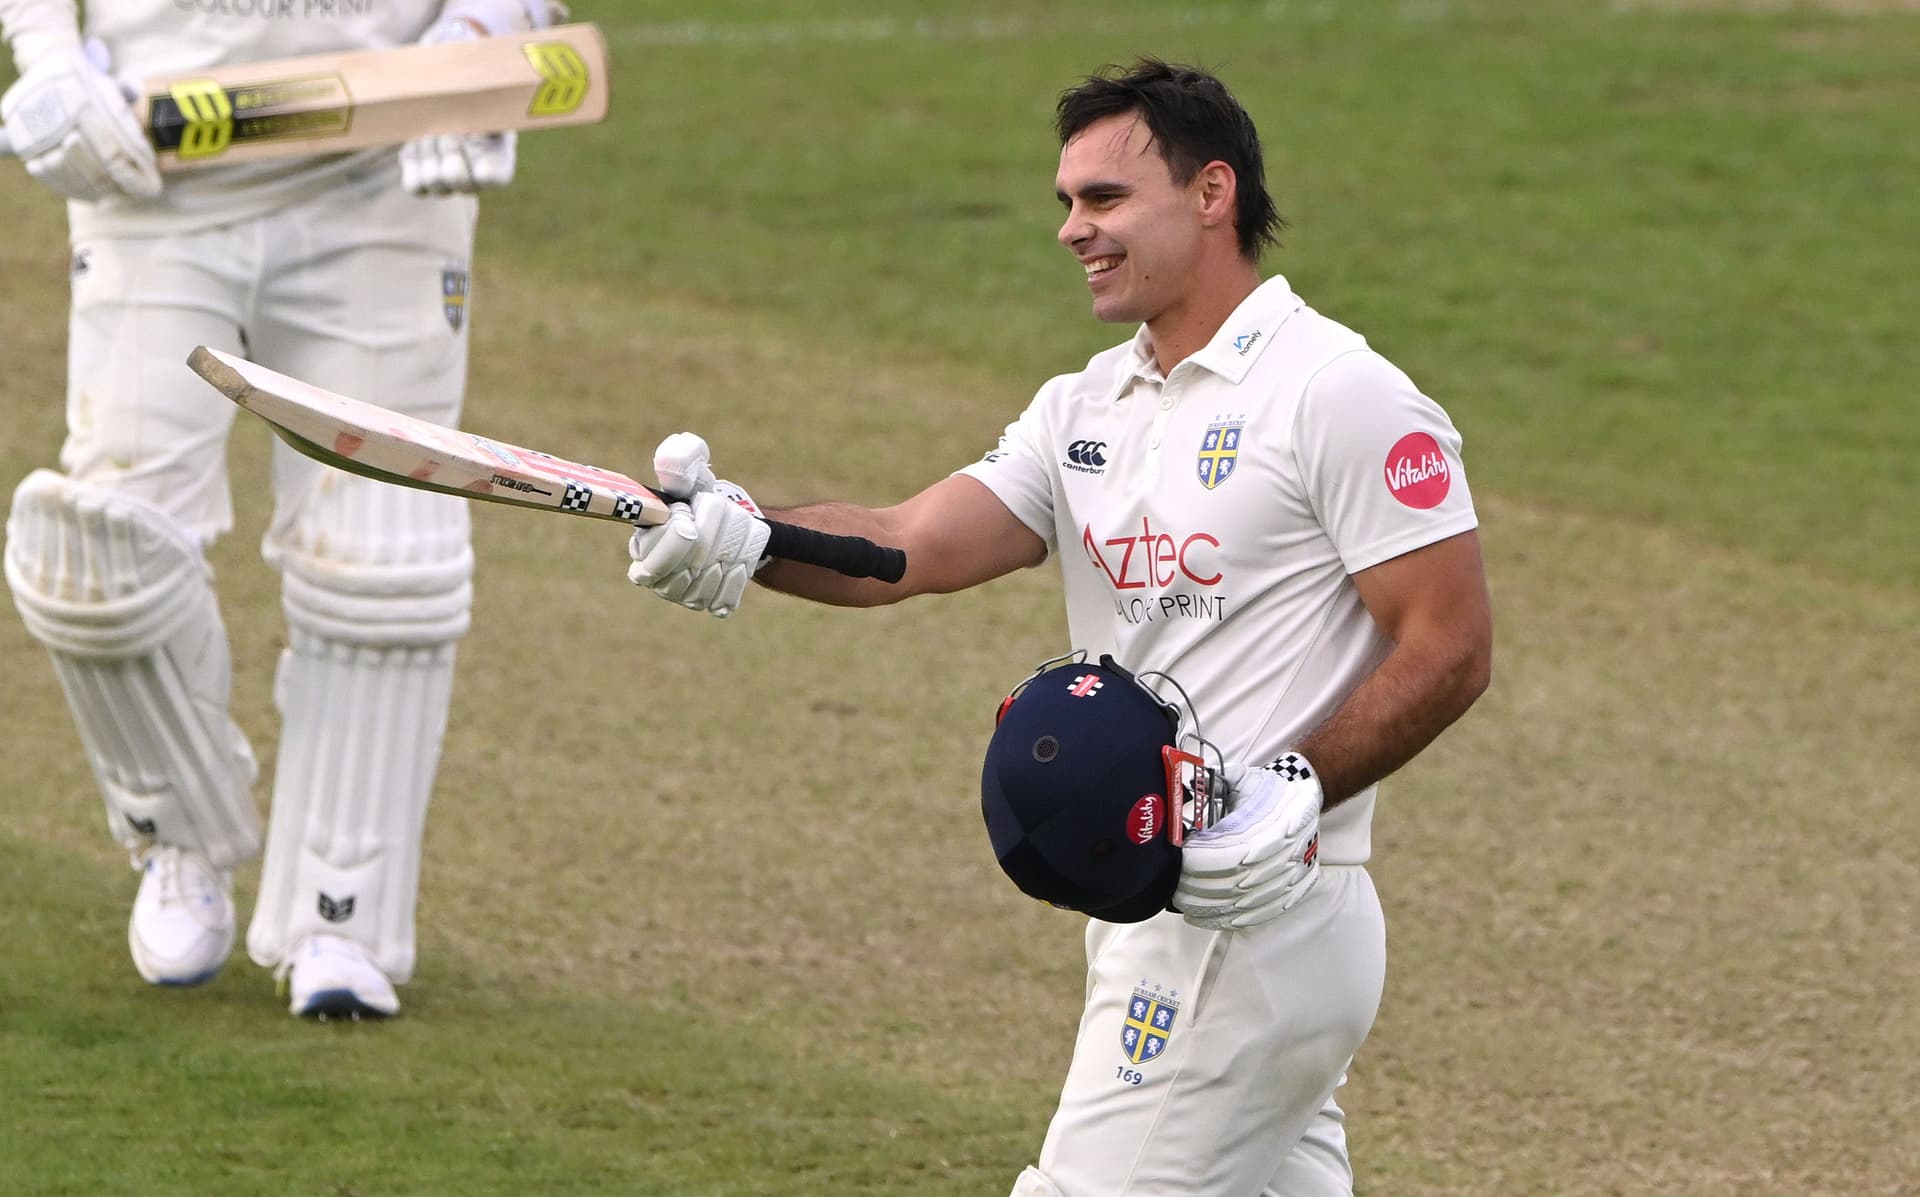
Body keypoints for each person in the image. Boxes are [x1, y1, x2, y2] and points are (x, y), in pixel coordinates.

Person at [624, 58, 1494, 1197]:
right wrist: (746, 533)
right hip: (1152, 911)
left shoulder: (1334, 391)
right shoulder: (1080, 411)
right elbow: (904, 546)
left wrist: (1290, 784)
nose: (1073, 230)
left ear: (1212, 193)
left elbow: (1451, 642)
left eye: (1105, 199)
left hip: (1262, 917)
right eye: (1067, 203)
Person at [0, 0, 556, 1019]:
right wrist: (43, 52)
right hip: (154, 165)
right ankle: (178, 837)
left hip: (382, 176)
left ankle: (340, 919)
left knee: (382, 556)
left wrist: (485, 25)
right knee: (97, 557)